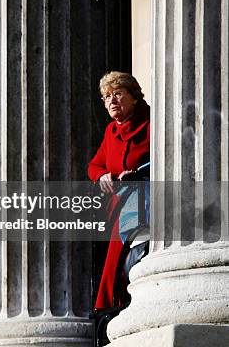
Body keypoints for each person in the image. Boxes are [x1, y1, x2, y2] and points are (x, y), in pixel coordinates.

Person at [88, 71, 150, 310]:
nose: (111, 101)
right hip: (119, 207)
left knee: (120, 260)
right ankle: (107, 309)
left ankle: (109, 307)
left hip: (146, 202)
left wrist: (138, 173)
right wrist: (103, 175)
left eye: (117, 94)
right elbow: (94, 165)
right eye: (106, 97)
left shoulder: (151, 121)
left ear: (134, 97)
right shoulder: (111, 131)